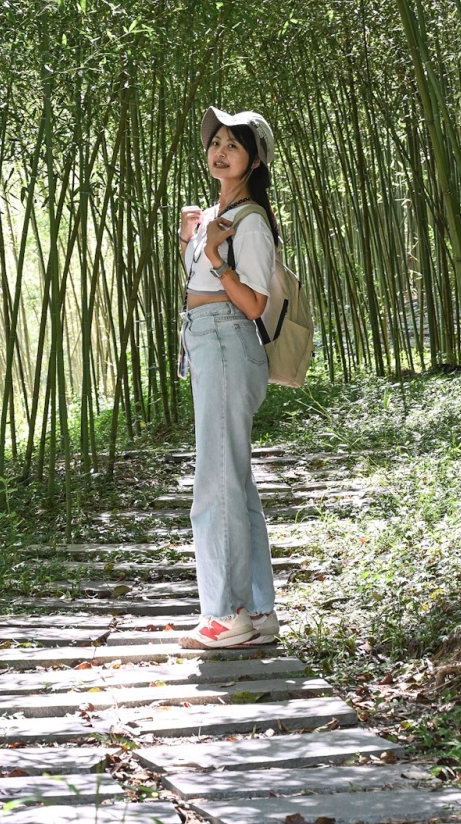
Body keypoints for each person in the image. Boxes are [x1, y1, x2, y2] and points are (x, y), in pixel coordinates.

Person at [176, 106, 280, 649]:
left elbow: (255, 304)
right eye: (216, 141)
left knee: (215, 483)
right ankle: (257, 611)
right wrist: (193, 239)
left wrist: (215, 255)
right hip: (207, 339)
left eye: (233, 145)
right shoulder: (219, 212)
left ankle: (226, 614)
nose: (220, 151)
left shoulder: (251, 221)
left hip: (227, 340)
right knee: (233, 481)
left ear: (254, 159)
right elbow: (202, 279)